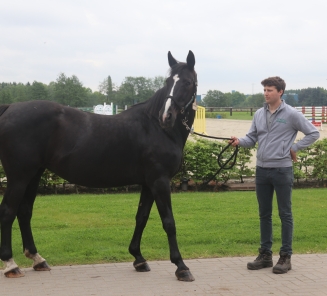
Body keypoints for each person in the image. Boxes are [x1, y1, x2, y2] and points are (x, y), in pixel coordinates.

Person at [230, 76, 319, 274]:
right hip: (261, 170)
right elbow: (252, 138)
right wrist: (239, 141)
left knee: (285, 214)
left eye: (270, 90)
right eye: (264, 90)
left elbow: (313, 133)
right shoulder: (259, 114)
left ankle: (285, 257)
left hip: (282, 170)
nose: (266, 93)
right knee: (264, 214)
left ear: (280, 92)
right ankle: (265, 255)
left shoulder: (291, 114)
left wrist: (295, 147)